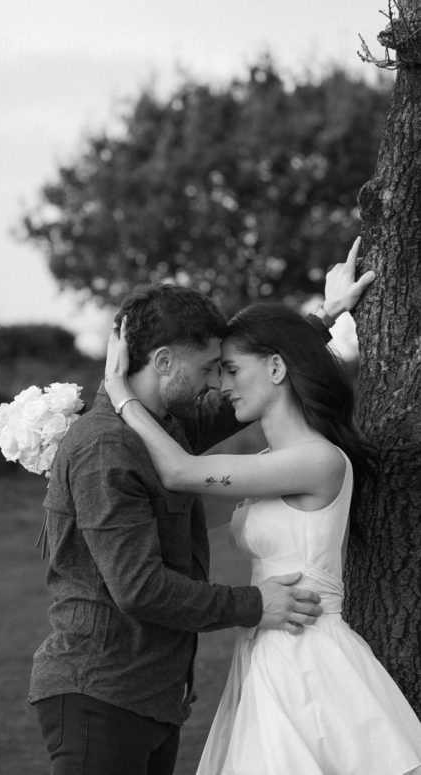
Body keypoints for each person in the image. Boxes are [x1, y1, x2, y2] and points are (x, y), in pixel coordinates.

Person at [29, 240, 373, 775]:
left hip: (152, 696)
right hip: (101, 690)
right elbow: (139, 588)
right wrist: (253, 604)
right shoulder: (106, 446)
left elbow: (262, 382)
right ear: (164, 360)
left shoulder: (171, 425)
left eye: (224, 368)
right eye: (211, 366)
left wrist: (325, 316)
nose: (218, 381)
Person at [104, 300, 421, 773]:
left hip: (308, 655)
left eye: (231, 369)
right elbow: (171, 505)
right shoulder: (272, 463)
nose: (221, 385)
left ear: (276, 367)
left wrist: (119, 394)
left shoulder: (318, 460)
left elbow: (179, 471)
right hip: (265, 647)